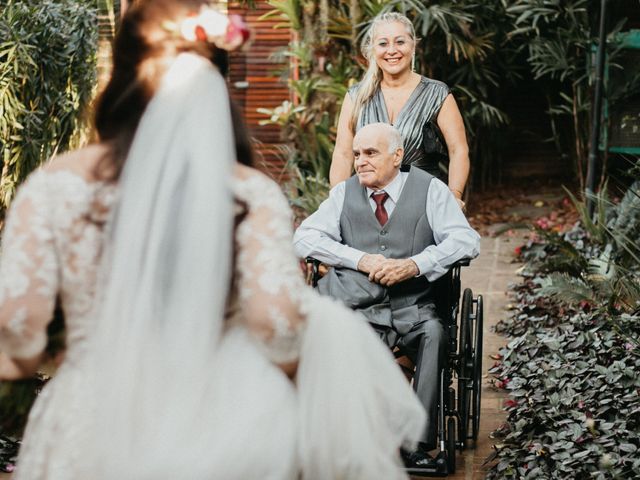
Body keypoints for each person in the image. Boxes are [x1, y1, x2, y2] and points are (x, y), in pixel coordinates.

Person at [0, 2, 427, 479]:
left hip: (91, 421)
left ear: (119, 73)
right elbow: (278, 329)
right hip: (223, 425)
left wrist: (79, 345)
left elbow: (18, 340)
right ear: (213, 81)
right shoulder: (248, 194)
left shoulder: (52, 187)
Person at [293, 122, 480, 470]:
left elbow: (466, 241)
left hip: (413, 305)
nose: (360, 161)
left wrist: (414, 264)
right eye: (357, 154)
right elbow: (304, 238)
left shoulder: (431, 191)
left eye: (371, 153)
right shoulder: (344, 194)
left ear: (397, 156)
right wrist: (359, 259)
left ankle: (415, 441)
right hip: (357, 306)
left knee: (434, 334)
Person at [330, 12, 469, 209]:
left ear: (413, 46)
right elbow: (343, 153)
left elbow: (458, 149)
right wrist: (336, 201)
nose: (392, 50)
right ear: (372, 49)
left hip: (424, 202)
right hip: (370, 205)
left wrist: (454, 195)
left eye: (400, 42)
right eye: (383, 43)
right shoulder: (356, 96)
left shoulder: (437, 93)